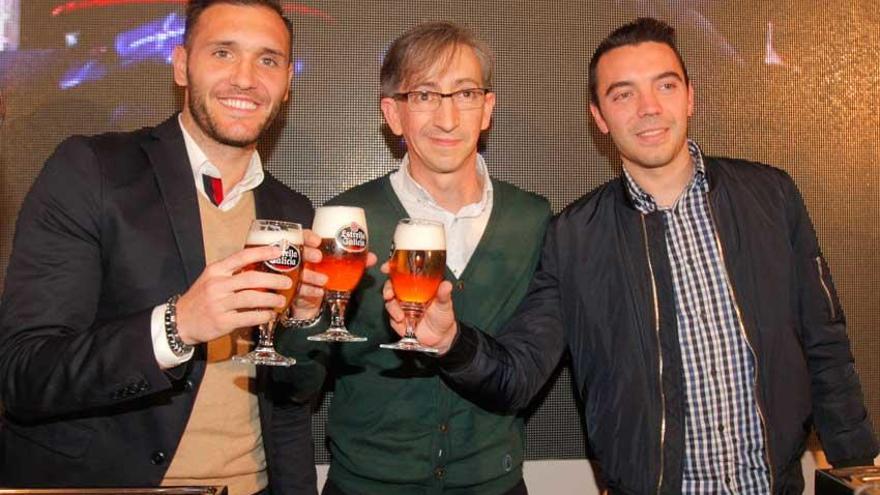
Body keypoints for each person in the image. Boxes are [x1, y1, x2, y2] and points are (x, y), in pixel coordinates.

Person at [388, 17, 879, 494]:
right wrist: (450, 340)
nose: (648, 108)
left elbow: (825, 341)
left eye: (664, 87)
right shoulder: (574, 237)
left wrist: (856, 463)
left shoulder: (770, 196)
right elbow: (518, 374)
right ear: (599, 117)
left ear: (690, 96)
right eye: (623, 94)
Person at [0, 1, 329, 493]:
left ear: (285, 86)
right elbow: (24, 373)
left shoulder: (293, 212)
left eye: (268, 60)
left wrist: (304, 323)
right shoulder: (94, 171)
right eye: (223, 53)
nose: (246, 78)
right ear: (181, 66)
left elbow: (295, 392)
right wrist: (176, 327)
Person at [279, 21, 551, 495]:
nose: (447, 119)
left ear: (487, 109)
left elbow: (525, 374)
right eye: (424, 95)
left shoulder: (533, 220)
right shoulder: (347, 224)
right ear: (393, 114)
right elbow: (296, 389)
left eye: (464, 93)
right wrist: (300, 319)